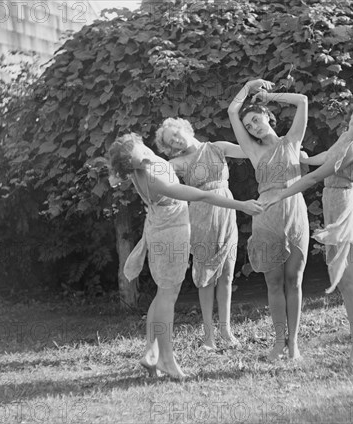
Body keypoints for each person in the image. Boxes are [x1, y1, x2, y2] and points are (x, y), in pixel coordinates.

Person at [107, 133, 262, 379]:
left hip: (160, 228)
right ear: (132, 164)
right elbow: (200, 195)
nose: (146, 156)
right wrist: (241, 205)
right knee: (169, 295)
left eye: (143, 151)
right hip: (170, 235)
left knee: (162, 294)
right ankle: (167, 360)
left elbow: (117, 175)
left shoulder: (140, 167)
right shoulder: (153, 177)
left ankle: (151, 353)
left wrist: (120, 169)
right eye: (139, 159)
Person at [263, 95, 353, 368]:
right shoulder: (345, 137)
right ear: (352, 114)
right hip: (335, 206)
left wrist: (281, 194)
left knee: (352, 281)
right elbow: (326, 159)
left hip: (345, 211)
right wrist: (304, 157)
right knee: (342, 280)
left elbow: (318, 176)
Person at [227, 79, 309, 361]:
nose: (253, 127)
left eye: (256, 120)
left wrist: (267, 94)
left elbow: (303, 101)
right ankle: (277, 342)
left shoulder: (292, 141)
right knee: (274, 283)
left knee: (294, 281)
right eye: (249, 126)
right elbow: (231, 111)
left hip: (295, 215)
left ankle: (294, 344)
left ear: (267, 115)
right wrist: (248, 85)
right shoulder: (254, 151)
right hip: (267, 217)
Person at [154, 118, 249, 350]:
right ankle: (209, 336)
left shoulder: (217, 147)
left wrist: (287, 148)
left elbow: (250, 150)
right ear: (170, 149)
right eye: (170, 142)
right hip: (201, 217)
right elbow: (154, 173)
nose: (176, 141)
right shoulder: (179, 162)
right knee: (206, 276)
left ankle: (226, 331)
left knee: (227, 274)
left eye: (175, 134)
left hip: (227, 211)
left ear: (185, 128)